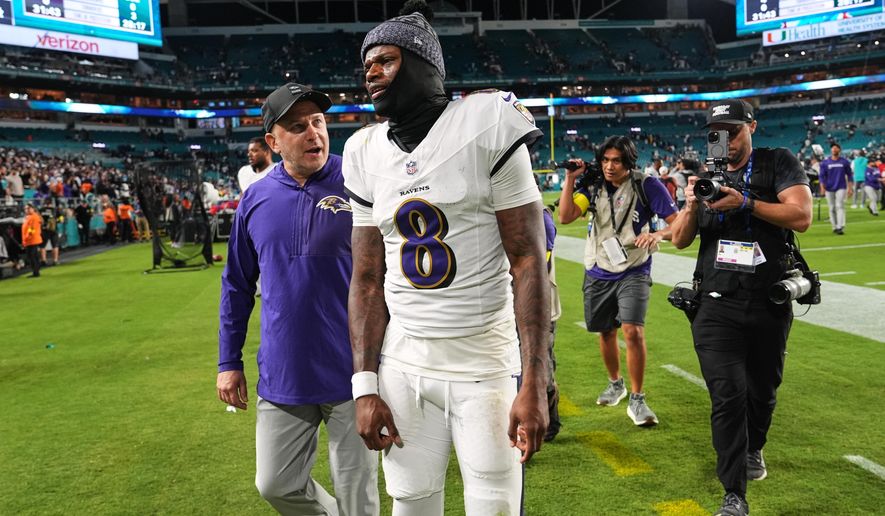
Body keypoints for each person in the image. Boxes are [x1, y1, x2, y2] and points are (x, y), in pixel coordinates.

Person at [343, 3, 550, 514]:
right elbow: (367, 279)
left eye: (385, 60)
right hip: (403, 359)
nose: (371, 72)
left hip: (482, 358)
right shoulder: (364, 150)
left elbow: (528, 260)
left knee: (494, 505)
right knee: (410, 502)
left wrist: (535, 381)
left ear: (424, 66)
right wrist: (364, 386)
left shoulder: (486, 122)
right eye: (367, 63)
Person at [217, 83, 379, 516]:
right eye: (297, 126)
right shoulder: (254, 198)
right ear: (273, 142)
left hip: (354, 370)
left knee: (358, 494)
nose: (314, 133)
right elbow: (236, 284)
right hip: (284, 370)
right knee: (276, 483)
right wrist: (228, 362)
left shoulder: (360, 181)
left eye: (318, 122)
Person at [669, 99, 812, 516]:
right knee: (728, 395)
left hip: (768, 298)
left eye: (733, 131)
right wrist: (695, 201)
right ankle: (734, 494)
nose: (725, 140)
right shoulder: (706, 177)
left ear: (752, 125)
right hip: (715, 303)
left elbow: (801, 216)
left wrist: (745, 203)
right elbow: (679, 240)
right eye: (717, 133)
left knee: (762, 391)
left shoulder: (776, 163)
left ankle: (756, 447)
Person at [557, 135, 678, 427]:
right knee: (606, 332)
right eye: (605, 160)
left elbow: (678, 224)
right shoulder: (594, 185)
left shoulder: (646, 185)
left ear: (629, 162)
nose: (610, 166)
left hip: (634, 268)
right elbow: (565, 216)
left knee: (633, 331)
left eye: (617, 161)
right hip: (597, 268)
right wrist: (571, 179)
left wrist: (658, 234)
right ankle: (616, 383)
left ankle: (637, 399)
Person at [542, 205, 562, 442]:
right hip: (508, 301)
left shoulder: (540, 214)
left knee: (541, 363)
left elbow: (541, 260)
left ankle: (550, 422)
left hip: (538, 305)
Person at [818, 143, 852, 235]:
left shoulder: (844, 162)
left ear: (839, 150)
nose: (834, 149)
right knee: (832, 208)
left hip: (841, 187)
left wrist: (850, 188)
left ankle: (840, 226)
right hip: (829, 188)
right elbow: (821, 176)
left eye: (836, 148)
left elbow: (849, 175)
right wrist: (822, 187)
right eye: (833, 148)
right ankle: (834, 226)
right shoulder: (825, 163)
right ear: (831, 150)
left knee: (839, 206)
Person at [22, 203, 43, 277]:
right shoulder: (29, 217)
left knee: (32, 257)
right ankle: (36, 271)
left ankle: (36, 272)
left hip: (32, 240)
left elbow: (32, 229)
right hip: (31, 240)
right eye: (25, 208)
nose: (26, 210)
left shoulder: (33, 217)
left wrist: (27, 238)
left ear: (32, 208)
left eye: (28, 208)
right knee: (33, 256)